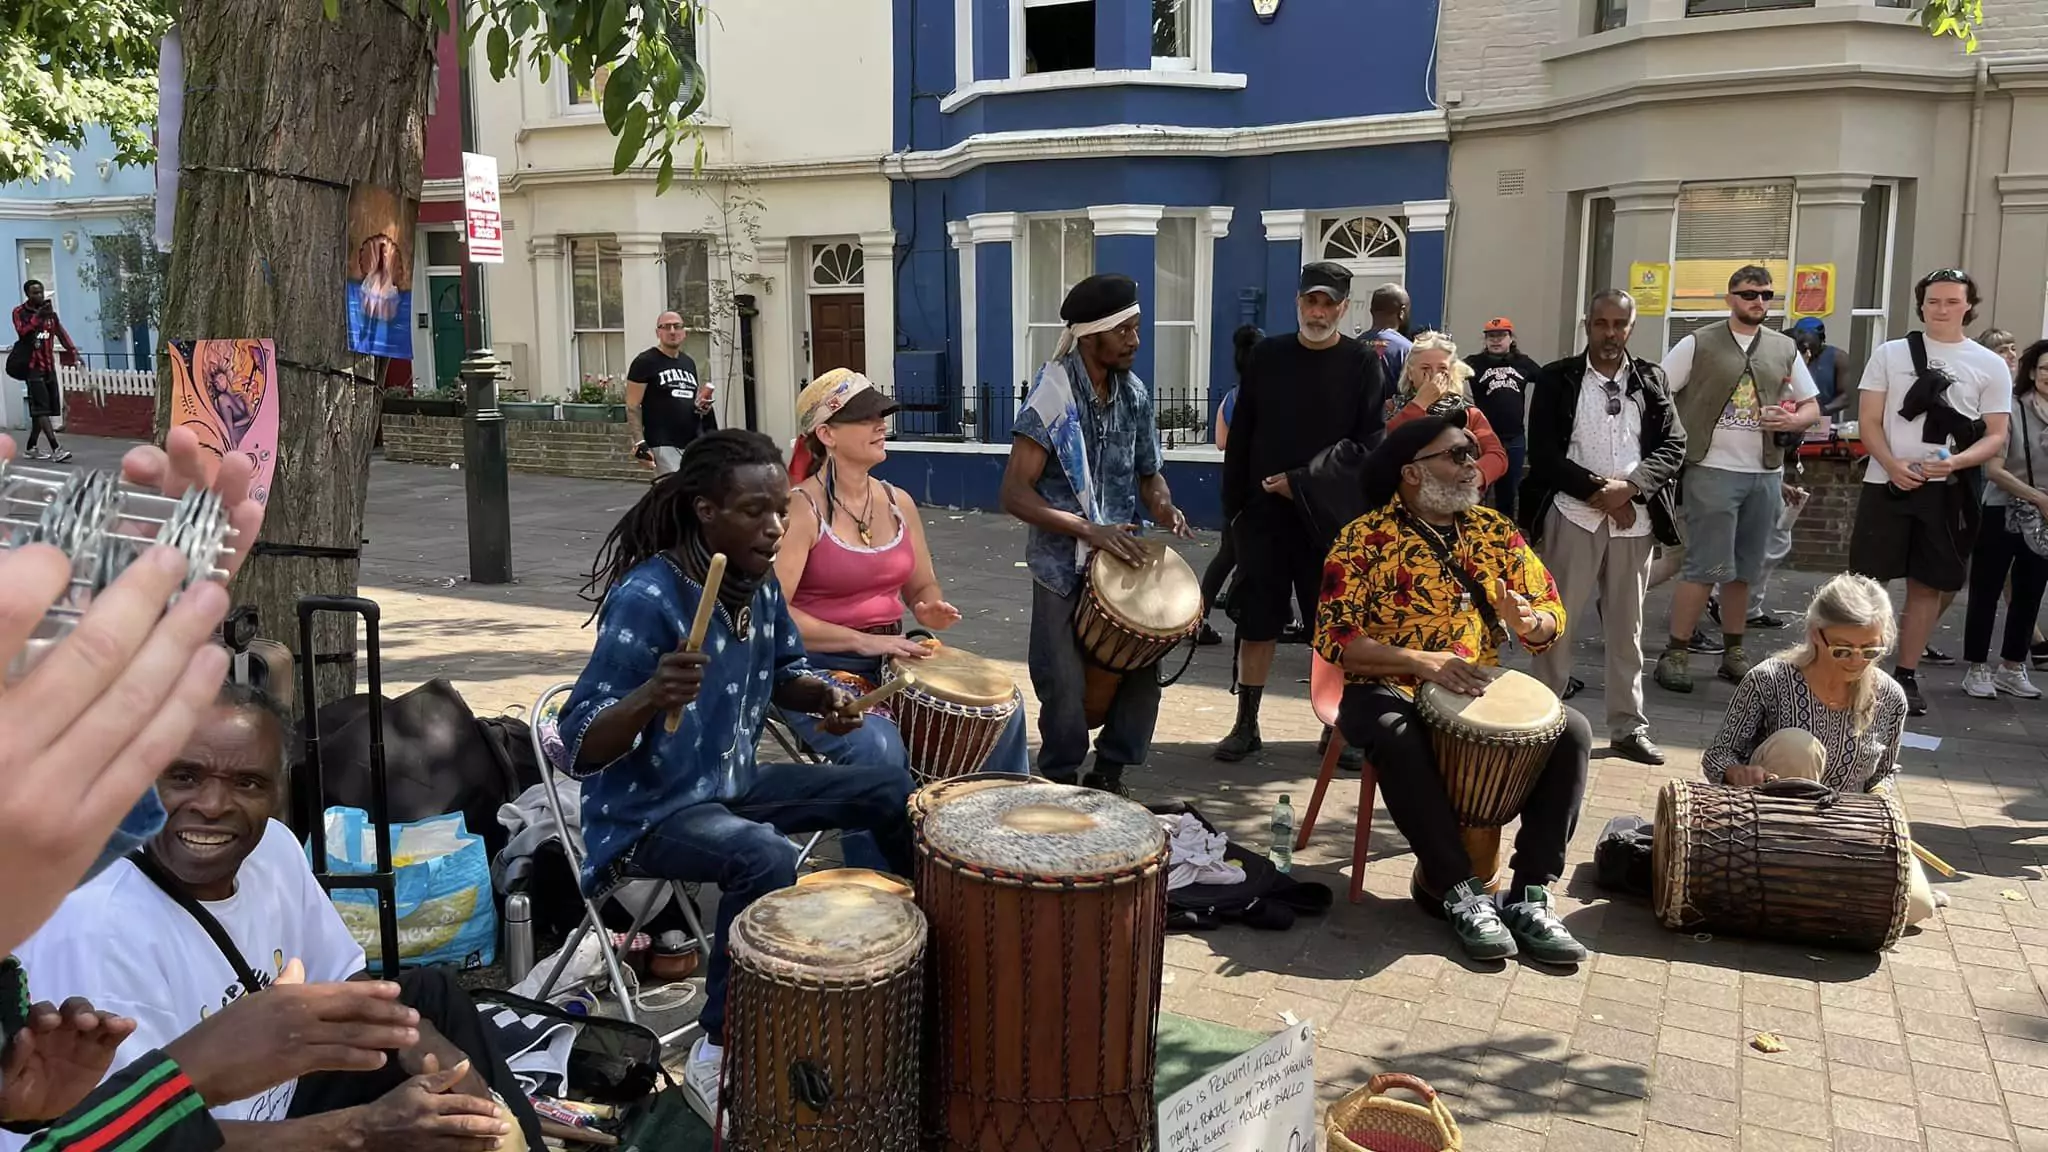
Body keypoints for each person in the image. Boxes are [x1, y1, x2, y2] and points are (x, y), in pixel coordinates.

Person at [3, 685, 541, 1152]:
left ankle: (517, 1129)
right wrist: (362, 1131)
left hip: (266, 1104)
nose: (213, 805)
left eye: (248, 783)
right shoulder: (99, 927)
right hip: (182, 1139)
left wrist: (443, 1064)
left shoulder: (274, 848)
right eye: (183, 776)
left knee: (424, 1002)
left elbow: (345, 980)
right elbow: (143, 1139)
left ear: (279, 792)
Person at [564, 429, 913, 1126]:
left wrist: (826, 697)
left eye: (780, 509)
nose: (776, 526)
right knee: (765, 855)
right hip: (649, 814)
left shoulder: (753, 586)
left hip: (729, 784)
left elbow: (787, 673)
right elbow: (577, 741)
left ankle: (920, 952)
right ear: (704, 511)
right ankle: (720, 1045)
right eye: (755, 512)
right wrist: (648, 698)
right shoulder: (649, 598)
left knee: (890, 789)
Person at [1314, 414, 1593, 964]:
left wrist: (1527, 620)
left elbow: (1550, 615)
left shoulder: (1495, 532)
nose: (1472, 465)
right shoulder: (1363, 538)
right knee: (1397, 734)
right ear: (1412, 473)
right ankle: (1458, 891)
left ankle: (1532, 892)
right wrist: (1419, 662)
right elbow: (1335, 636)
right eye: (1456, 455)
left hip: (1474, 680)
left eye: (1471, 453)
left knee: (1573, 731)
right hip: (1384, 684)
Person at [775, 368, 1029, 774]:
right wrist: (862, 642)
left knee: (1001, 709)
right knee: (880, 751)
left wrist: (928, 607)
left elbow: (922, 584)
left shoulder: (899, 502)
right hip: (816, 669)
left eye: (881, 415)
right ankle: (888, 835)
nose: (881, 425)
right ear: (826, 434)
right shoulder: (800, 509)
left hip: (893, 657)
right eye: (864, 419)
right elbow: (775, 614)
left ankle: (991, 825)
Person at [1000, 273, 1193, 794]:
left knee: (1142, 668)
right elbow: (1015, 493)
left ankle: (1111, 773)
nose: (1135, 339)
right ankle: (1060, 778)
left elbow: (1148, 471)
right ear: (1092, 336)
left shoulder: (1133, 393)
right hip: (1062, 562)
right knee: (1062, 681)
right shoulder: (1053, 395)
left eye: (1136, 328)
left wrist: (1165, 504)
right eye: (1124, 330)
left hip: (1122, 557)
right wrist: (1091, 530)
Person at [1214, 264, 1385, 762]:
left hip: (1330, 522)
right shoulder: (1267, 357)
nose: (1318, 311)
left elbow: (1367, 446)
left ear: (1343, 308)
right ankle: (1246, 722)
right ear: (1298, 303)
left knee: (1330, 624)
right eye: (1311, 301)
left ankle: (1337, 725)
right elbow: (1241, 436)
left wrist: (1305, 483)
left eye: (1328, 303)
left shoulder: (1361, 363)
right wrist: (1235, 509)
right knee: (1257, 621)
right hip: (1264, 517)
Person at [1521, 289, 1686, 767]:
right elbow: (1546, 454)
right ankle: (1539, 719)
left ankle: (1628, 728)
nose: (1610, 334)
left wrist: (1630, 489)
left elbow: (1674, 445)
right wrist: (1600, 493)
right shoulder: (1558, 378)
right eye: (1601, 324)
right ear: (1587, 324)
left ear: (1631, 327)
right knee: (1555, 623)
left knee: (1626, 629)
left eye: (1620, 325)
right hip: (1574, 515)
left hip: (1633, 522)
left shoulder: (1651, 378)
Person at [1850, 269, 2013, 716]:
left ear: (1968, 306)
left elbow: (1996, 434)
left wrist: (1956, 462)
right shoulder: (1889, 353)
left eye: (1952, 301)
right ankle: (1854, 671)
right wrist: (1890, 463)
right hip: (1887, 483)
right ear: (1921, 304)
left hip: (1949, 491)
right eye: (1933, 301)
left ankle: (1904, 676)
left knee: (1928, 586)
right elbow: (1869, 419)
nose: (1941, 309)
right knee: (1867, 583)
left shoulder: (1989, 363)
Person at [1653, 265, 1821, 693]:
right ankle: (1675, 651)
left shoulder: (1783, 347)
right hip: (1710, 468)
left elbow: (1811, 407)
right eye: (1749, 294)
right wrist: (1674, 440)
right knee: (1703, 565)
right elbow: (1656, 391)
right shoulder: (1699, 342)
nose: (1758, 302)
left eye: (1765, 295)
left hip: (1765, 471)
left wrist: (1790, 418)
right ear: (1730, 297)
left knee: (1746, 570)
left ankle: (1734, 651)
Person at [1960, 338, 2048, 699]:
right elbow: (1993, 469)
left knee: (2030, 592)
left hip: (2042, 519)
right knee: (1987, 588)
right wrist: (2036, 497)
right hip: (2002, 508)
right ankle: (1976, 667)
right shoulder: (2011, 409)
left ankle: (2012, 666)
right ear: (2032, 372)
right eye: (2045, 370)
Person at [1197, 325, 1263, 648]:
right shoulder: (1273, 397)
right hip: (1263, 486)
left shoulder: (1231, 397)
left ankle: (1198, 618)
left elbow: (1221, 442)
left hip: (1233, 485)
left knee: (1228, 554)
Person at [1384, 332, 1510, 489]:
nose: (1434, 375)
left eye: (1442, 368)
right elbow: (1379, 446)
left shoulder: (1468, 412)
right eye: (1425, 368)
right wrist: (1419, 404)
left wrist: (1476, 475)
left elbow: (1497, 455)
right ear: (1410, 373)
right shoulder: (1390, 407)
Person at [1465, 318, 1542, 517]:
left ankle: (1503, 538)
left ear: (1510, 338)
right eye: (1491, 336)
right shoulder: (1474, 363)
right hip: (1484, 439)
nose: (1496, 340)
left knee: (1507, 495)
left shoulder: (1522, 362)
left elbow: (1546, 379)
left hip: (1514, 439)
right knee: (1477, 492)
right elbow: (1452, 374)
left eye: (1501, 335)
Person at [626, 311, 716, 475]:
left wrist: (702, 407)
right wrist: (640, 442)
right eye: (666, 327)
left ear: (684, 332)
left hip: (691, 443)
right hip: (663, 444)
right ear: (658, 332)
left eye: (677, 326)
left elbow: (688, 399)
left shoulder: (688, 362)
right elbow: (632, 405)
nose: (672, 331)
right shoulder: (645, 362)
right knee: (674, 494)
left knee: (692, 495)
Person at [10, 281, 78, 463]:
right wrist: (37, 318)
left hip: (48, 366)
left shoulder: (50, 315)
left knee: (43, 410)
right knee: (41, 409)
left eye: (40, 292)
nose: (39, 296)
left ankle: (31, 447)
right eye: (35, 293)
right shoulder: (19, 312)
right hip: (32, 367)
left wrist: (74, 354)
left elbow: (61, 334)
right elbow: (22, 331)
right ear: (27, 295)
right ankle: (56, 448)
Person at [1364, 285, 1413, 417]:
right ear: (1402, 312)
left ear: (1371, 311)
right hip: (1392, 428)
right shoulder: (1407, 349)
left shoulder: (1353, 346)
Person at [1791, 317, 1849, 418]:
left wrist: (1820, 411)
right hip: (1793, 419)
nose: (1808, 352)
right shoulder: (1790, 354)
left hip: (1825, 421)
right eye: (1802, 346)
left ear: (1821, 339)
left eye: (1810, 346)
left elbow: (1846, 397)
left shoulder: (1838, 357)